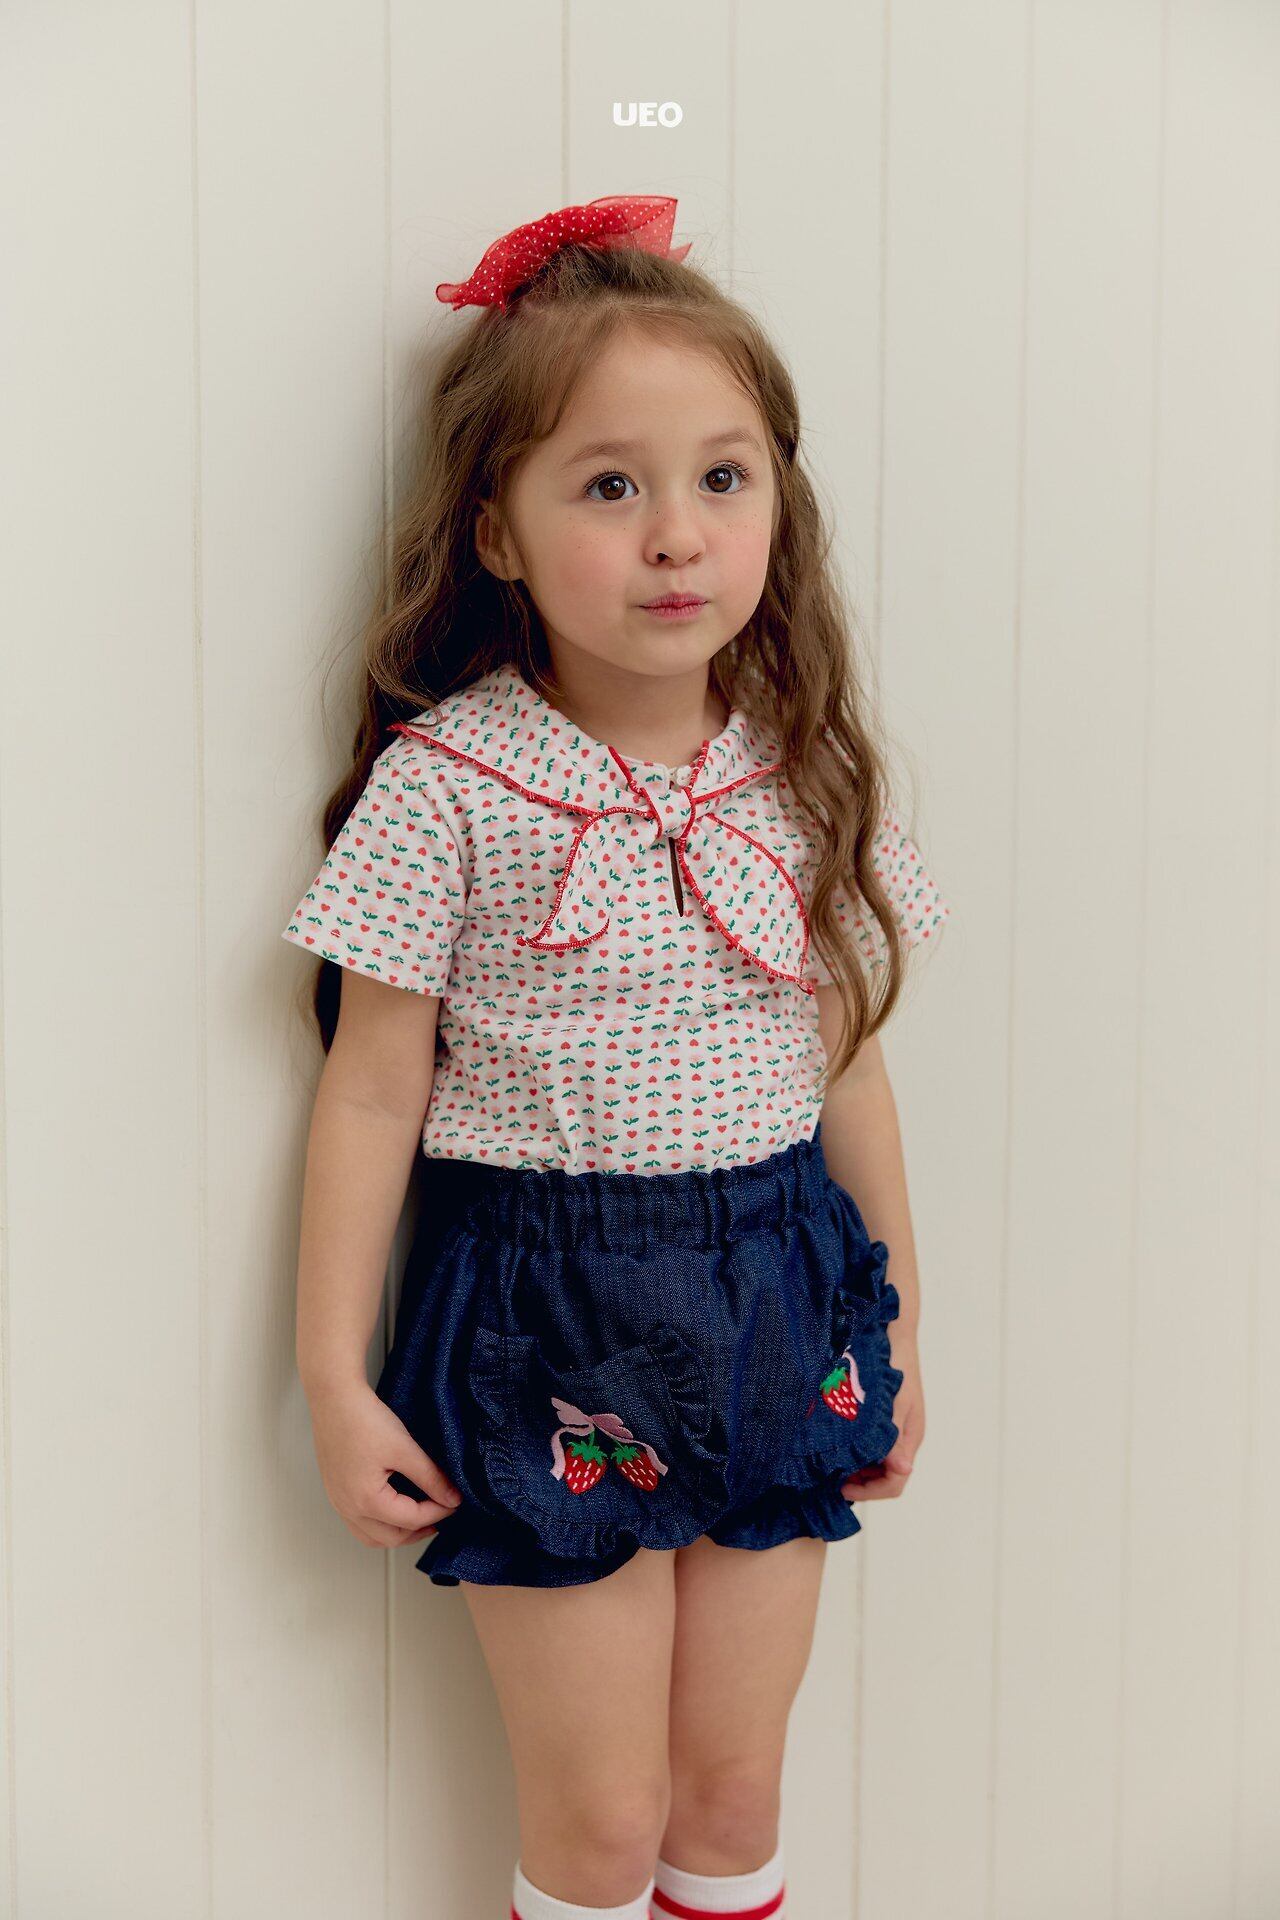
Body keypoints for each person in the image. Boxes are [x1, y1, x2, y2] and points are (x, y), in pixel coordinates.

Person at [281, 194, 951, 1920]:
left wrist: (897, 1327)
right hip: (544, 1314)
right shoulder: (453, 784)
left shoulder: (803, 772)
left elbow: (849, 1068)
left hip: (779, 1293)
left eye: (722, 478)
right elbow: (372, 1088)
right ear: (496, 536)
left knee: (728, 1798)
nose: (675, 537)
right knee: (600, 1820)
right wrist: (334, 1377)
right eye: (607, 486)